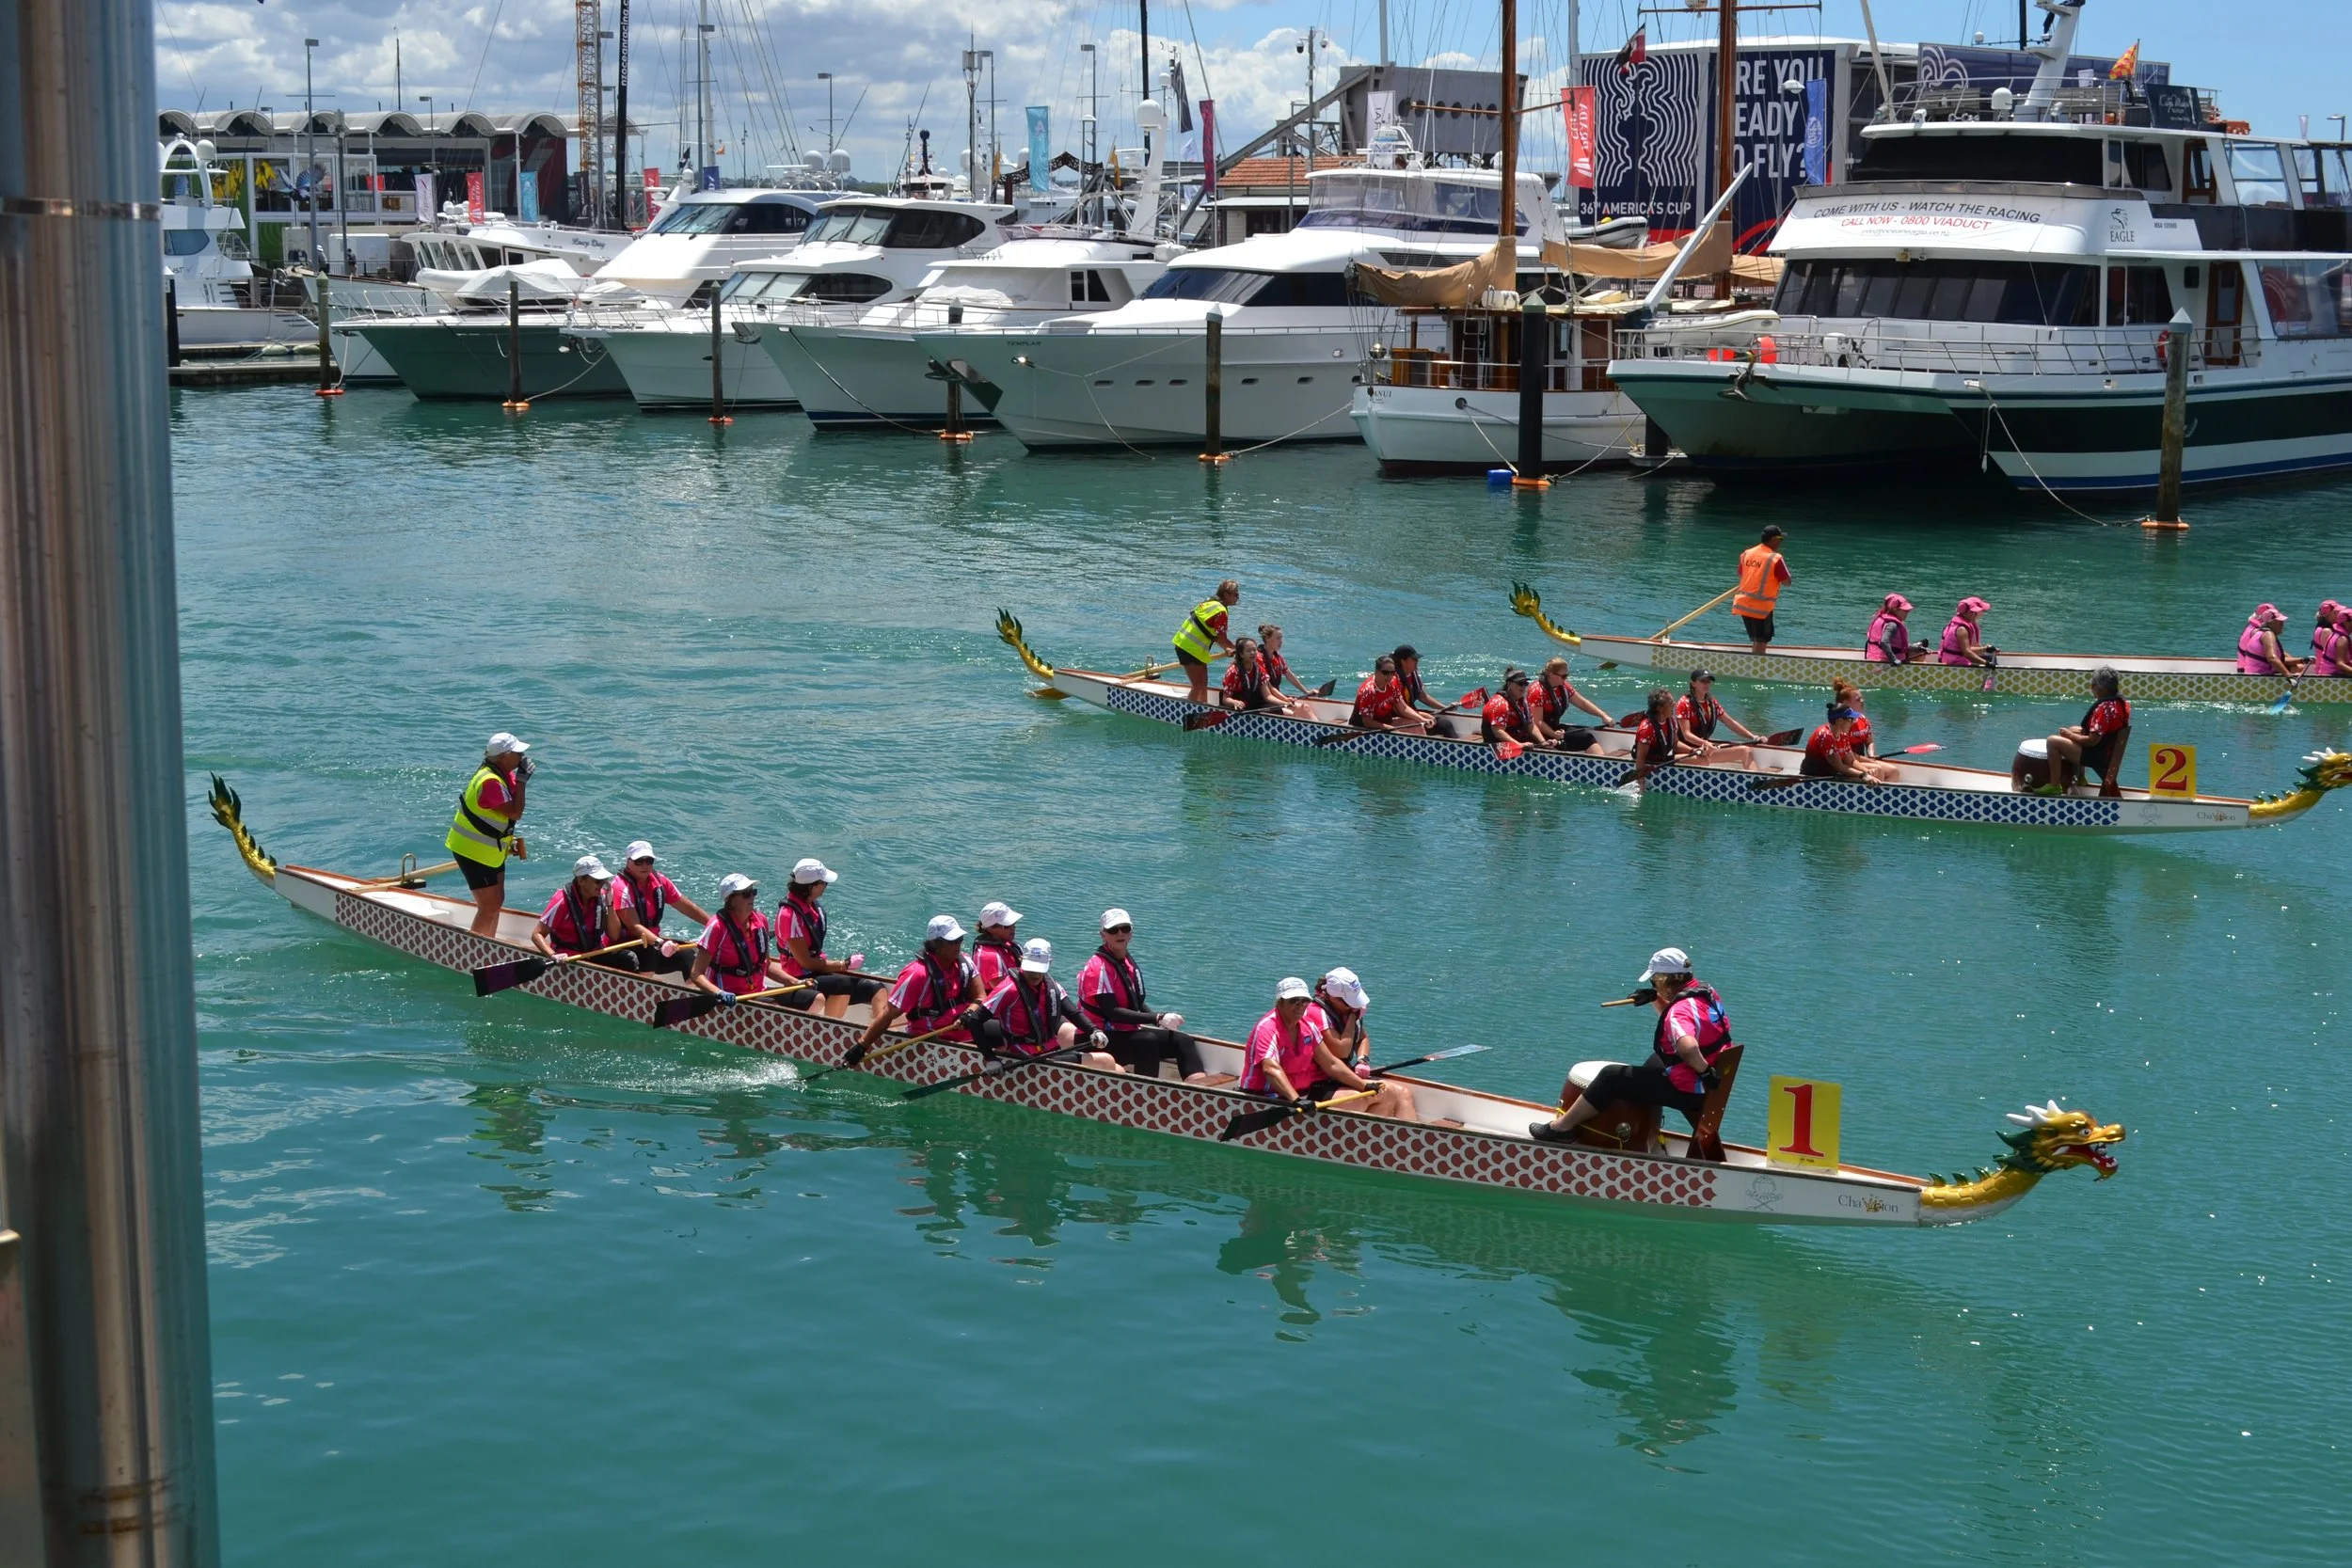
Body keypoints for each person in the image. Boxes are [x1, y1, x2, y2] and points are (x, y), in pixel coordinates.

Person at [1531, 947, 1736, 1151]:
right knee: (1654, 1063)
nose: (1654, 984)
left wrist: (1704, 1073)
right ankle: (1643, 1129)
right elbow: (1682, 1025)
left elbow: (1688, 1047)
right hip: (1713, 1080)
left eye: (1654, 981)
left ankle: (1561, 1129)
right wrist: (1655, 998)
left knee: (1611, 1077)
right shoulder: (1706, 994)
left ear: (1665, 978)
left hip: (1694, 1088)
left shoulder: (1679, 1011)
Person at [1077, 909, 1210, 1082]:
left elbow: (1136, 1003)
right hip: (1098, 1038)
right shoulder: (1098, 968)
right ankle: (1145, 1096)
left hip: (1125, 1033)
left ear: (1131, 933)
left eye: (1124, 928)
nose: (1119, 933)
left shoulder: (1126, 962)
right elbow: (1112, 1012)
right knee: (1146, 1041)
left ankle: (1198, 1091)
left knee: (1183, 1041)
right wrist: (1157, 1018)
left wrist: (1161, 1021)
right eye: (1113, 930)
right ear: (1103, 935)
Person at [966, 938, 1121, 1069]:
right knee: (1106, 1061)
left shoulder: (1052, 986)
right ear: (1021, 960)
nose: (1035, 974)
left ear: (1050, 963)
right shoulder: (1008, 989)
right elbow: (975, 1020)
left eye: (1039, 969)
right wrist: (990, 1058)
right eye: (1031, 968)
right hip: (1024, 1055)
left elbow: (1073, 1013)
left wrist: (1094, 1030)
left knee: (1118, 1068)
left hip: (1048, 1049)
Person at [445, 731, 532, 937]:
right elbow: (515, 812)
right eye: (517, 753)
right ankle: (475, 950)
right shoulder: (490, 782)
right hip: (473, 850)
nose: (522, 757)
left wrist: (517, 779)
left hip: (490, 851)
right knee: (489, 905)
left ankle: (488, 942)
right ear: (503, 757)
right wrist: (522, 781)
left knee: (497, 900)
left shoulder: (501, 773)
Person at [774, 858, 884, 1018]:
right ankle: (829, 1033)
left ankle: (880, 1035)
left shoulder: (812, 906)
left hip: (816, 972)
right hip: (798, 977)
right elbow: (807, 963)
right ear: (811, 887)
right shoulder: (789, 916)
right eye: (824, 883)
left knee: (876, 988)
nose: (826, 886)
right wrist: (844, 964)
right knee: (842, 984)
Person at [1307, 967, 1417, 1120]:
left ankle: (1400, 1139)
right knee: (1367, 1098)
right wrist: (1353, 1017)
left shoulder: (1344, 1011)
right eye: (1349, 1004)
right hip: (1316, 1083)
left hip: (1341, 1077)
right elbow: (1341, 1051)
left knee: (1402, 1093)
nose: (1355, 1007)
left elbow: (1363, 1038)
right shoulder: (1316, 1013)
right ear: (1333, 998)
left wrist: (1362, 1060)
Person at [857, 915, 982, 1048]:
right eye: (952, 941)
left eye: (960, 939)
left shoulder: (966, 963)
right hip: (930, 1041)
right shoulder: (917, 974)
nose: (958, 945)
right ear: (936, 944)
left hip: (968, 1035)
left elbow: (980, 997)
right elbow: (888, 1014)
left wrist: (968, 1013)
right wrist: (861, 1046)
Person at [610, 840, 710, 975]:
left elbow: (687, 907)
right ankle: (644, 991)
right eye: (639, 861)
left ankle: (692, 992)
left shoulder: (660, 882)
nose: (645, 865)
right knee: (650, 950)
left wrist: (714, 925)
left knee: (687, 955)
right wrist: (660, 943)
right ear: (628, 862)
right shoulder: (620, 886)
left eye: (649, 861)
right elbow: (634, 926)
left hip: (653, 945)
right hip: (623, 948)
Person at [688, 873, 779, 1005]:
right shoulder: (717, 927)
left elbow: (767, 965)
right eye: (746, 893)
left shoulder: (761, 920)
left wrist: (795, 982)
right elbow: (696, 974)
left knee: (814, 998)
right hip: (728, 997)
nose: (752, 896)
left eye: (753, 892)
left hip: (757, 991)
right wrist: (719, 993)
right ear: (730, 900)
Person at [2041, 666, 2132, 798]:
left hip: (2099, 755)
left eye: (2093, 684)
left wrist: (2069, 735)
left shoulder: (2104, 709)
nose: (2091, 688)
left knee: (2053, 741)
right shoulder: (2119, 703)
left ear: (2103, 688)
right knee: (2074, 729)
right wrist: (2072, 733)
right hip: (2108, 750)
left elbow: (2091, 741)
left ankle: (2054, 785)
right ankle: (2080, 777)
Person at [532, 854, 623, 962]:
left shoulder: (602, 897)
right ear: (581, 881)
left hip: (595, 953)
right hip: (570, 959)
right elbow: (537, 934)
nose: (602, 885)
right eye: (597, 881)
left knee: (628, 959)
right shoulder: (561, 901)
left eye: (604, 880)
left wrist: (610, 904)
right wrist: (553, 956)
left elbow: (614, 936)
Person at [1171, 578, 1241, 704]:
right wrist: (1236, 649)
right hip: (1189, 648)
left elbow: (1213, 634)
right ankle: (1190, 712)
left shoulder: (1211, 602)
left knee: (1203, 684)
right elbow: (1221, 639)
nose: (1238, 597)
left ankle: (1204, 709)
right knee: (1198, 685)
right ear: (1226, 594)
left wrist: (1230, 648)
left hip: (1189, 645)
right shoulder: (1220, 611)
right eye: (1235, 594)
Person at [1676, 669, 1761, 761]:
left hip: (1705, 748)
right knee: (1744, 751)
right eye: (1703, 681)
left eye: (1708, 681)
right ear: (1693, 684)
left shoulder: (1712, 703)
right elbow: (1686, 734)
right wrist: (1704, 743)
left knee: (1747, 751)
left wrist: (1753, 737)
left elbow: (1730, 723)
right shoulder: (1684, 703)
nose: (1706, 684)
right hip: (1687, 750)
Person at [1801, 702, 1899, 783]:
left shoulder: (1842, 735)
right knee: (1870, 779)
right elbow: (1840, 767)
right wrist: (1864, 775)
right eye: (1850, 719)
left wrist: (1867, 771)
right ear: (1839, 720)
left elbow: (1851, 761)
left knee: (1877, 772)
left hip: (1832, 773)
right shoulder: (1826, 735)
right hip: (1815, 777)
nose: (1853, 722)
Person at [1531, 657, 1612, 752]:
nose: (1566, 679)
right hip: (1539, 733)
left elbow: (1582, 703)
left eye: (1567, 675)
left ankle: (1600, 762)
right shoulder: (1537, 691)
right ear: (1551, 674)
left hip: (1556, 729)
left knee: (1587, 734)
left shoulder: (1564, 687)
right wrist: (1553, 734)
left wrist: (1603, 715)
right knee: (1586, 738)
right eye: (1563, 676)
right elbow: (1537, 722)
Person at [1733, 525, 1791, 654]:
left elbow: (1742, 574)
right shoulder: (1775, 558)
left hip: (1743, 603)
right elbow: (1787, 582)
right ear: (1773, 539)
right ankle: (1756, 667)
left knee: (1756, 638)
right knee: (1761, 639)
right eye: (1780, 539)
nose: (1780, 543)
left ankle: (1754, 660)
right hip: (1761, 607)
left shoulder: (1747, 553)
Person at [1219, 637, 1298, 716]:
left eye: (1254, 650)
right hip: (1238, 710)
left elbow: (1268, 696)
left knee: (1286, 712)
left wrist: (1285, 703)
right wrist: (1235, 702)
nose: (1253, 653)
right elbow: (1226, 699)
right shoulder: (1233, 671)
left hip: (1253, 704)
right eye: (1248, 651)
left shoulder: (1259, 669)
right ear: (1241, 654)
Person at [1352, 655, 1431, 732]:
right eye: (1385, 673)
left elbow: (1403, 708)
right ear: (1376, 672)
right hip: (1364, 728)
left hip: (1386, 722)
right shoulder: (1369, 691)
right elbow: (1368, 722)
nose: (1389, 676)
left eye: (1392, 673)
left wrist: (1422, 719)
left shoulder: (1393, 682)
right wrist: (1390, 728)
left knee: (1417, 725)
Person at [2237, 603, 2305, 675]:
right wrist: (2299, 661)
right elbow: (2272, 658)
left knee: (2297, 664)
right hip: (2249, 670)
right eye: (2280, 622)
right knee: (2299, 667)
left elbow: (2274, 651)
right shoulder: (2261, 633)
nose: (2282, 624)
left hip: (2246, 667)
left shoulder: (2252, 627)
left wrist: (2294, 658)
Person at [973, 901, 1025, 993]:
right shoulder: (988, 956)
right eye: (1007, 925)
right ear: (991, 929)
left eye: (1014, 922)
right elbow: (1006, 993)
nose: (1013, 927)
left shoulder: (1010, 945)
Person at [1864, 594, 1931, 663]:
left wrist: (1918, 648)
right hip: (1886, 663)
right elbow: (1884, 642)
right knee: (1922, 659)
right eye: (1905, 611)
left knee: (1919, 653)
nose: (1907, 613)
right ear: (1895, 610)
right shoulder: (1892, 625)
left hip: (1872, 658)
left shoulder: (1881, 619)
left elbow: (1898, 645)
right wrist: (1893, 659)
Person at [1391, 645, 1448, 721]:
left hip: (1410, 710)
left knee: (1444, 723)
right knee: (1434, 720)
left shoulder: (1413, 674)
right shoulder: (1393, 679)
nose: (1417, 661)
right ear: (1403, 661)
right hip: (1397, 714)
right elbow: (1401, 709)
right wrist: (1421, 719)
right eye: (1414, 659)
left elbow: (1422, 696)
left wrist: (1445, 708)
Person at [1260, 624, 1314, 700]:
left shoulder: (1278, 658)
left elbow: (1289, 675)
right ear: (1267, 638)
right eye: (1278, 638)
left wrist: (1306, 692)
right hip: (1264, 699)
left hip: (1276, 697)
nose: (1281, 642)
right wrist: (1285, 700)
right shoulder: (1259, 658)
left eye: (1281, 638)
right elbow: (1269, 687)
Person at [1939, 597, 1994, 666]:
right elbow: (1967, 653)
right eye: (1981, 611)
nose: (1982, 613)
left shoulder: (1956, 624)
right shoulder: (1962, 630)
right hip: (1956, 662)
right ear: (1972, 613)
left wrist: (1986, 649)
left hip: (1950, 658)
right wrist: (1986, 663)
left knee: (1991, 657)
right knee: (1990, 661)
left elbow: (1966, 649)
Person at [2312, 603, 2347, 678]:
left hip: (2323, 669)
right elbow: (2329, 655)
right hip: (2327, 674)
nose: (2340, 614)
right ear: (2328, 615)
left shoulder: (2320, 627)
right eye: (2337, 612)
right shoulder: (2327, 631)